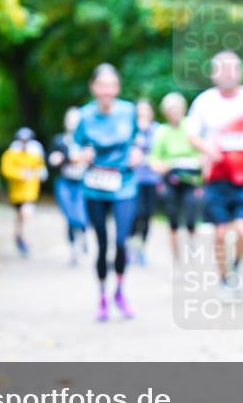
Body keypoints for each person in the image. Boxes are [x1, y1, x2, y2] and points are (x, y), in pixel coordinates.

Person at [185, 50, 243, 297]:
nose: (228, 73)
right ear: (214, 74)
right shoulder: (203, 102)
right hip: (217, 177)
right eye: (222, 68)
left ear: (240, 71)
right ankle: (224, 280)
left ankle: (236, 268)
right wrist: (206, 148)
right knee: (221, 233)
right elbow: (191, 135)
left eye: (232, 68)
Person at [72, 63, 141, 321]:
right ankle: (102, 297)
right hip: (95, 186)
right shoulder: (85, 115)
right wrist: (81, 155)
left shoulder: (129, 111)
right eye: (101, 85)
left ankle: (120, 292)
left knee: (121, 242)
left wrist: (137, 152)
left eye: (111, 85)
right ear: (93, 87)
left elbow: (138, 140)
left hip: (124, 185)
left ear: (118, 88)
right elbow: (74, 148)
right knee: (101, 244)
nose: (106, 91)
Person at [150, 91, 203, 265]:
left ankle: (193, 252)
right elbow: (155, 158)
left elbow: (203, 150)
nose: (175, 112)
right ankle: (177, 259)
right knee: (172, 221)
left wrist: (199, 163)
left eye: (178, 109)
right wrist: (164, 165)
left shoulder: (191, 127)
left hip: (191, 180)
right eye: (171, 109)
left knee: (190, 218)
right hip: (171, 180)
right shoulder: (162, 131)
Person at [48, 107, 89, 266]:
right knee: (70, 216)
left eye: (76, 119)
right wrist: (55, 159)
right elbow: (51, 160)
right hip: (64, 181)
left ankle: (82, 235)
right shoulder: (59, 140)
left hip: (82, 183)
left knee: (81, 215)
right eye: (70, 119)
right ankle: (74, 249)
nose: (73, 122)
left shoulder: (87, 141)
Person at [0, 127, 48, 258]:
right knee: (19, 217)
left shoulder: (36, 152)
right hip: (17, 192)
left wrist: (40, 173)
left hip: (31, 191)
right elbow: (6, 170)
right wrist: (20, 174)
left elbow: (40, 166)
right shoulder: (11, 153)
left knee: (27, 213)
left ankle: (25, 239)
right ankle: (19, 236)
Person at [129, 99, 161, 266]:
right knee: (135, 214)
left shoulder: (158, 130)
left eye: (146, 112)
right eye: (140, 113)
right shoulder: (130, 130)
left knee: (147, 216)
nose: (143, 115)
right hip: (133, 180)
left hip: (152, 179)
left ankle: (141, 248)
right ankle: (130, 246)